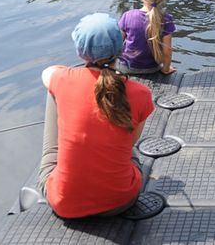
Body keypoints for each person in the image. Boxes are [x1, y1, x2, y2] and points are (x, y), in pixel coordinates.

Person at [37, 13, 154, 219]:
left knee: (52, 90)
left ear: (81, 53)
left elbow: (47, 73)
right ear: (120, 47)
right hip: (121, 200)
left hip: (65, 204)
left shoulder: (62, 80)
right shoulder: (142, 93)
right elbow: (130, 145)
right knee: (128, 150)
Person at [116, 0, 177, 75]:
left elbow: (116, 44)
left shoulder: (128, 16)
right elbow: (167, 52)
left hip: (126, 68)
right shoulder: (167, 19)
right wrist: (165, 69)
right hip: (153, 68)